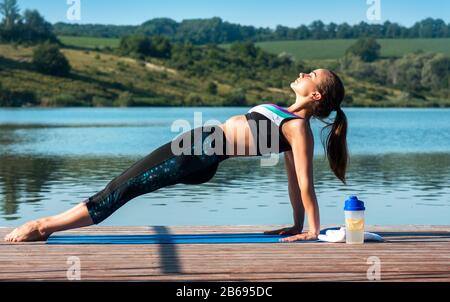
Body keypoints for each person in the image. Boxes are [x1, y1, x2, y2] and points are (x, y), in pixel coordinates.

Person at [4, 69, 348, 243]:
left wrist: (310, 230)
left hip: (197, 153)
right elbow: (294, 184)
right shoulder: (287, 116)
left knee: (122, 187)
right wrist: (297, 223)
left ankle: (42, 226)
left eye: (311, 75)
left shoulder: (296, 129)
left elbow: (302, 182)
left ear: (315, 93)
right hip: (200, 151)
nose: (303, 74)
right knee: (126, 185)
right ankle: (46, 225)